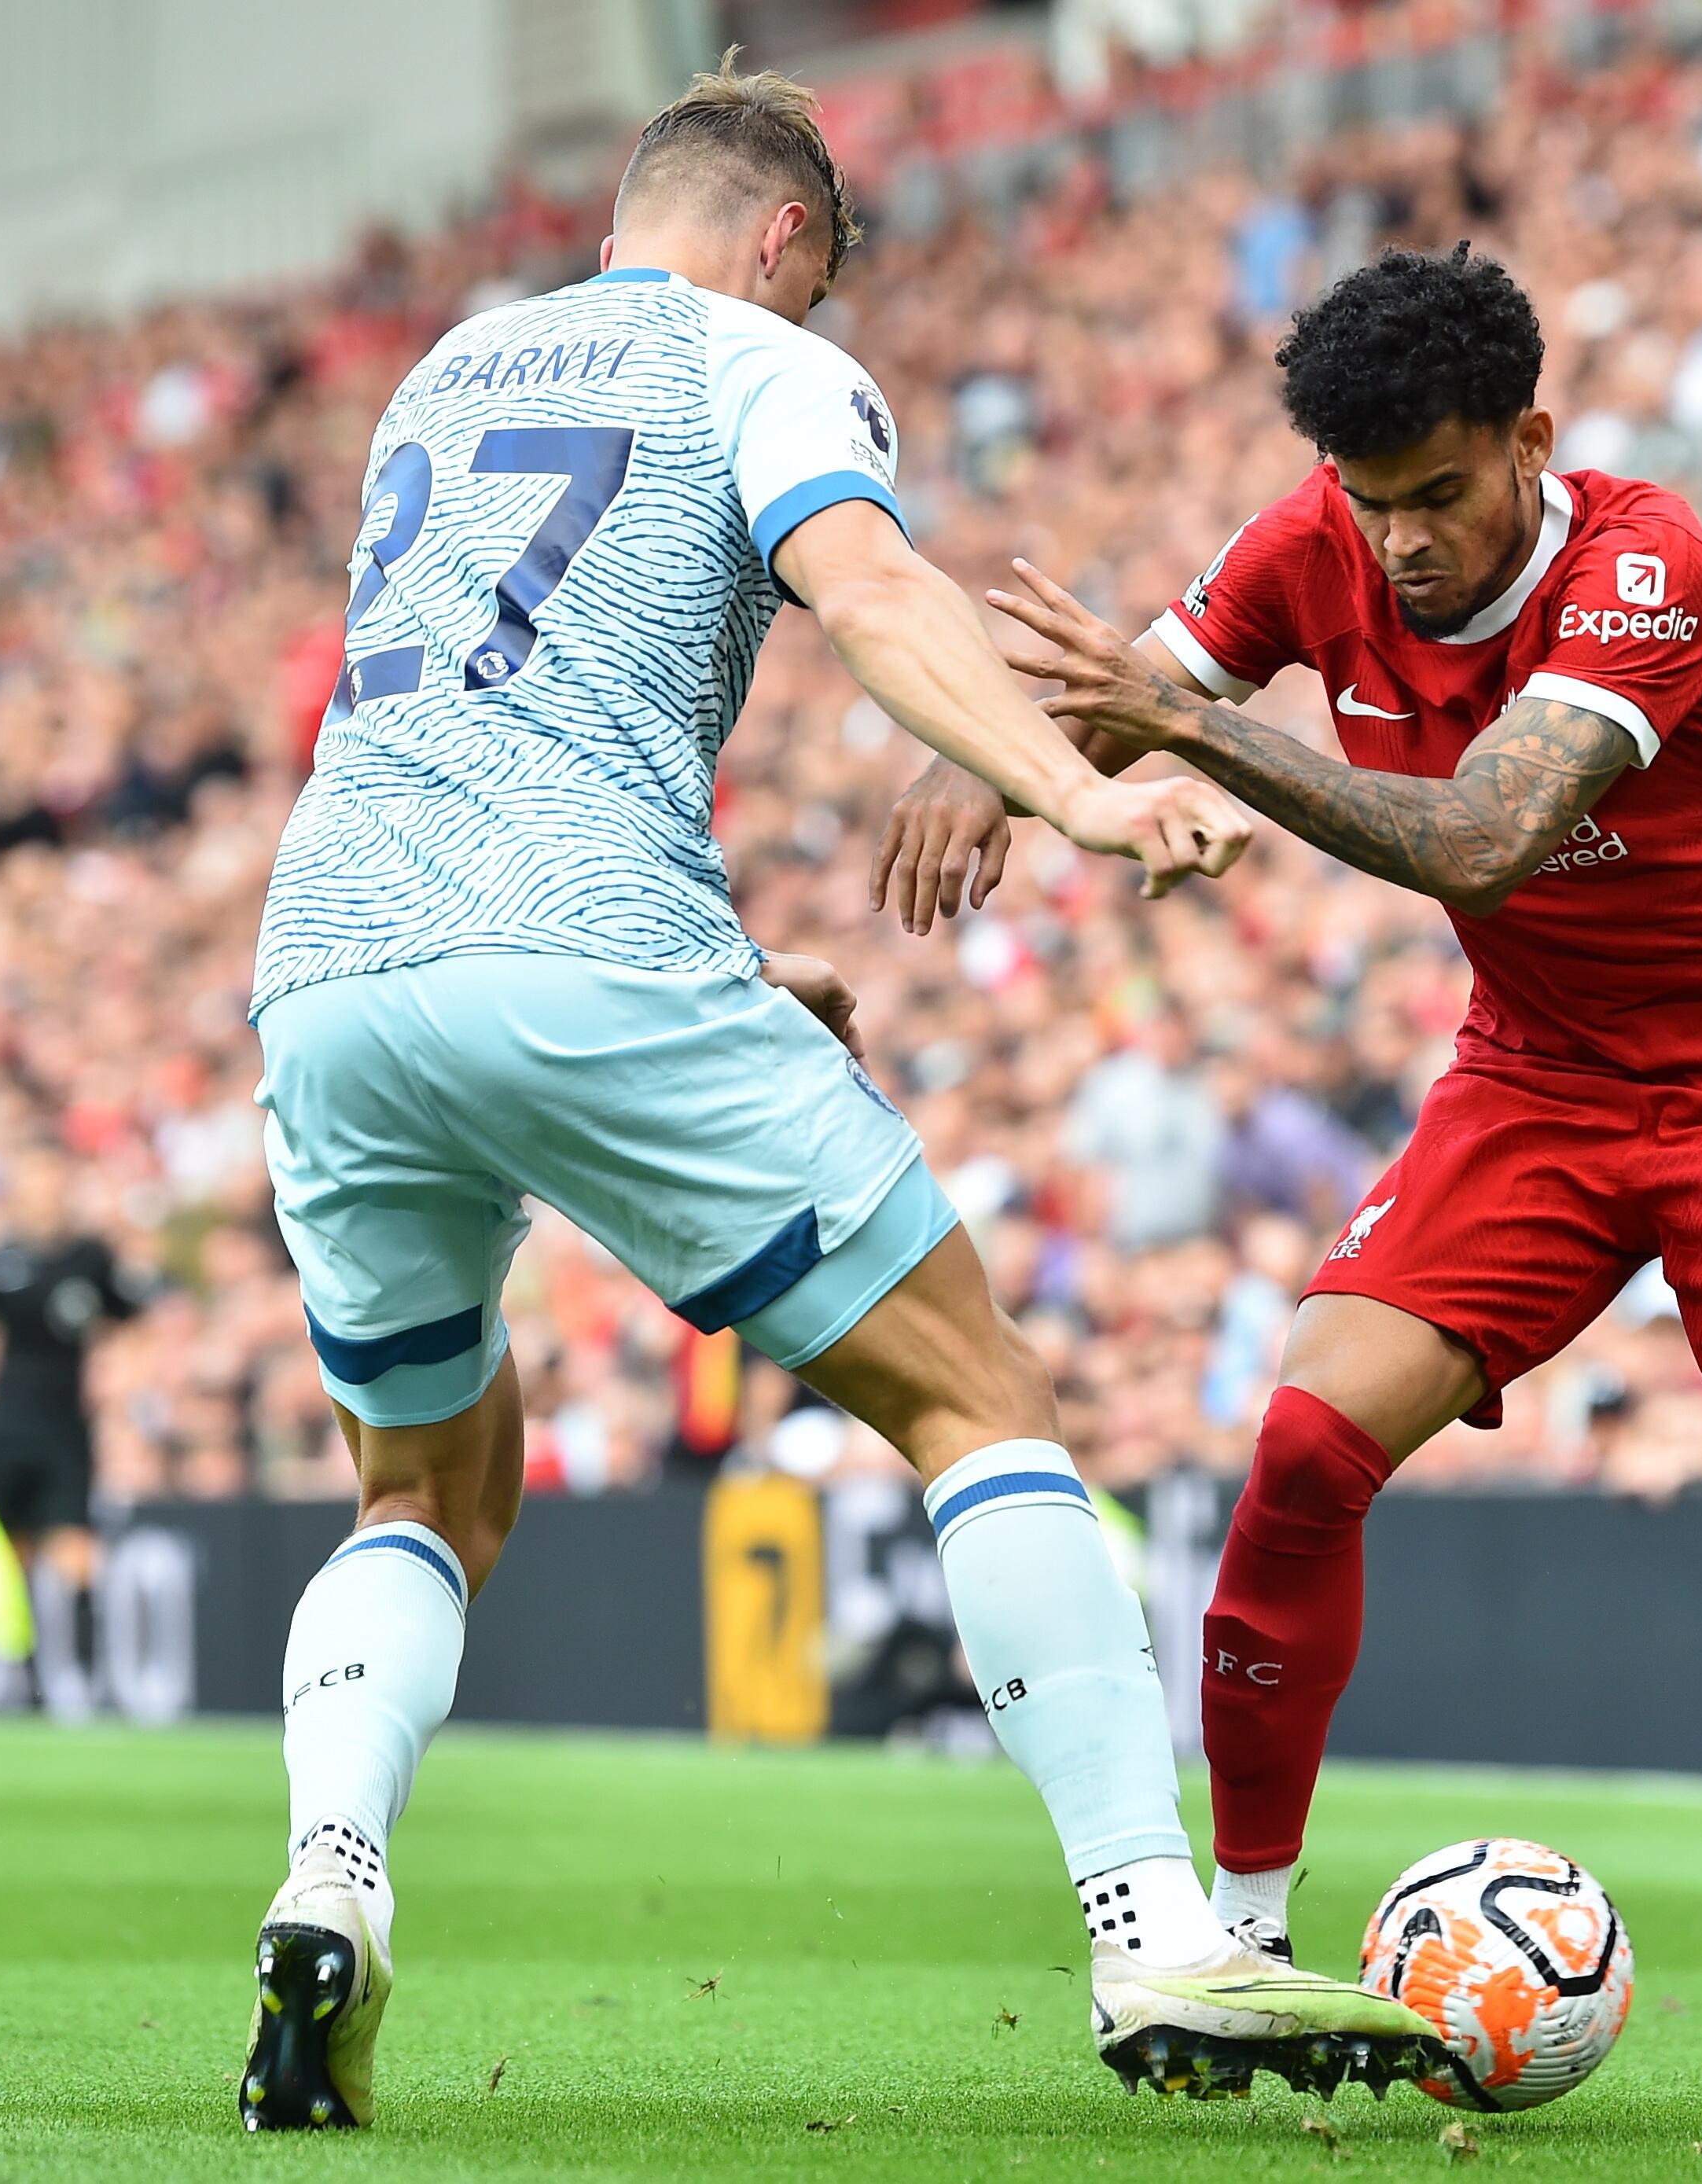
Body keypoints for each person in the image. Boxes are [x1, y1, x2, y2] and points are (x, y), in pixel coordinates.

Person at [236, 65, 1427, 2135]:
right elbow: (871, 590)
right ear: (785, 235)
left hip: (333, 966)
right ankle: (1156, 1925)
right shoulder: (762, 359)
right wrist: (1071, 785)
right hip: (585, 949)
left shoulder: (443, 375)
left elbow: (483, 723)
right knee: (979, 1395)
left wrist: (720, 976)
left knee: (420, 1488)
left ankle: (327, 1873)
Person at [880, 245, 1702, 2142]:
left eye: (1439, 495)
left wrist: (1190, 732)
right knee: (1293, 1449)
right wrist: (1002, 768)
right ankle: (1244, 1939)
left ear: (1530, 438)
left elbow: (1482, 837)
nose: (1403, 542)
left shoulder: (1643, 565)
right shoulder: (1318, 541)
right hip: (1534, 1083)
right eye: (1372, 503)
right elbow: (1137, 690)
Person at [0, 1145, 148, 1718]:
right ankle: (22, 1685)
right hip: (7, 1419)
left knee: (74, 1550)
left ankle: (89, 1684)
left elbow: (129, 1323)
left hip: (66, 1421)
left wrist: (119, 1394)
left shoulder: (91, 1257)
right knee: (12, 1553)